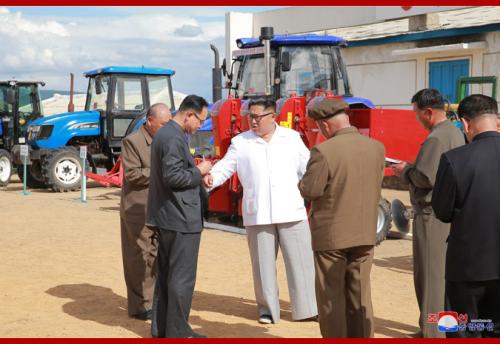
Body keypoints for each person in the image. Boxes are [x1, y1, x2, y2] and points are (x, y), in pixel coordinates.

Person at [204, 98, 317, 324]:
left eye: (258, 117)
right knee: (263, 265)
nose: (253, 121)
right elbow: (226, 166)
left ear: (272, 116)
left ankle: (307, 309)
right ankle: (267, 309)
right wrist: (211, 178)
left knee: (301, 262)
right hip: (258, 212)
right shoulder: (241, 142)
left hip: (291, 210)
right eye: (250, 117)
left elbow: (309, 168)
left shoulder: (292, 139)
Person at [299, 98, 385, 338]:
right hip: (365, 232)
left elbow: (310, 190)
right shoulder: (377, 147)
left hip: (332, 236)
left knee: (331, 299)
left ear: (325, 125)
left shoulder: (324, 151)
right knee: (360, 296)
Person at [391, 89, 465, 338]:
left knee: (431, 277)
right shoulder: (454, 132)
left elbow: (425, 177)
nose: (416, 119)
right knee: (442, 277)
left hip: (431, 214)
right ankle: (442, 328)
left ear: (428, 112)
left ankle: (433, 332)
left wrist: (404, 170)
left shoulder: (436, 138)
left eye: (416, 114)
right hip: (447, 213)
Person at [432, 94, 500, 338]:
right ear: (497, 121)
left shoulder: (454, 159)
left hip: (466, 266)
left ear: (465, 123)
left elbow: (442, 211)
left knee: (461, 330)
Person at [146, 95, 212, 338]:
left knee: (166, 274)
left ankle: (163, 328)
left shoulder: (165, 134)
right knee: (181, 278)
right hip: (181, 216)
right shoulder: (173, 137)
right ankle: (178, 331)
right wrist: (199, 171)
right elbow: (173, 178)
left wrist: (193, 173)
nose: (200, 126)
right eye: (200, 121)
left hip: (168, 215)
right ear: (189, 115)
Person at [120, 103, 171, 320]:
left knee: (156, 255)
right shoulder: (132, 142)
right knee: (139, 257)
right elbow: (132, 174)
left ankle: (153, 302)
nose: (167, 128)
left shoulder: (165, 140)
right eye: (163, 124)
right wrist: (162, 172)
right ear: (150, 121)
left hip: (159, 207)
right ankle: (140, 305)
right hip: (138, 209)